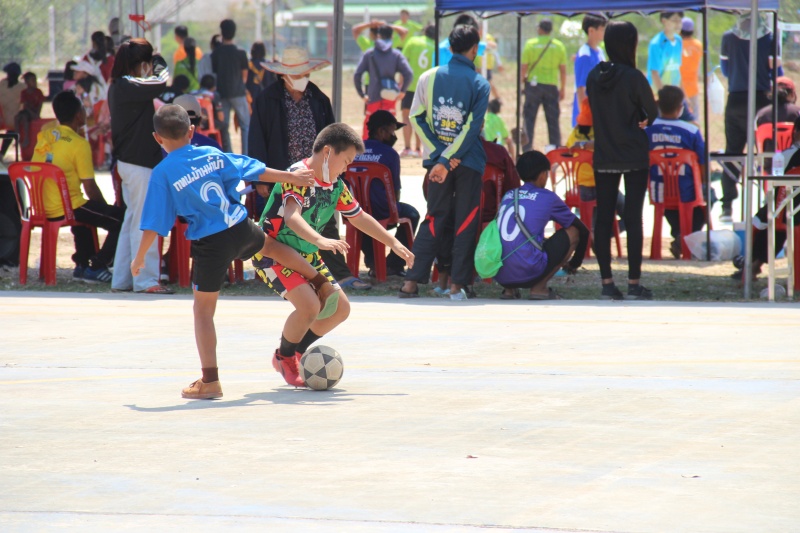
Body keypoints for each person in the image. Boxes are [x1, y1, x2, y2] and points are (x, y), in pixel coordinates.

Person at [133, 104, 340, 399]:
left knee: (203, 311)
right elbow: (252, 168)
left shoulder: (162, 172)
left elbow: (154, 223)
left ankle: (210, 381)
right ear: (192, 131)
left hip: (210, 242)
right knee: (271, 246)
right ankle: (320, 282)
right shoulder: (211, 153)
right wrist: (292, 177)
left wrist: (140, 257)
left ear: (157, 138)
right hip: (239, 225)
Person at [253, 123, 414, 387]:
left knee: (340, 309)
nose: (346, 168)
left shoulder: (335, 185)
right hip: (275, 253)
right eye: (346, 161)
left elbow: (359, 217)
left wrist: (392, 242)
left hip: (307, 255)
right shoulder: (298, 175)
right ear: (328, 152)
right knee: (310, 307)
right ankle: (284, 357)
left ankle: (296, 352)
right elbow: (292, 217)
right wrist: (320, 240)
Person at [249, 46, 371, 291]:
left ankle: (340, 273)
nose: (303, 79)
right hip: (284, 174)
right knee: (280, 223)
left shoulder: (318, 98)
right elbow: (256, 138)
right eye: (297, 74)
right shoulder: (267, 99)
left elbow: (335, 136)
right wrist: (260, 178)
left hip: (319, 173)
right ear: (284, 75)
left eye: (306, 73)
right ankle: (278, 272)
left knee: (325, 221)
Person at [399, 23, 490, 300]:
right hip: (468, 161)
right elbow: (472, 128)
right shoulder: (480, 83)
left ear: (450, 48)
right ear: (474, 50)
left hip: (436, 162)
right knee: (465, 221)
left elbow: (415, 117)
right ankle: (456, 286)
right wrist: (449, 157)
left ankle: (411, 282)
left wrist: (440, 155)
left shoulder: (428, 77)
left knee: (434, 218)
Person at [587, 20, 657, 300]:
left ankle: (607, 284)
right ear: (630, 44)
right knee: (633, 217)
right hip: (633, 154)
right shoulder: (633, 76)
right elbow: (652, 112)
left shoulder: (594, 76)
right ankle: (634, 284)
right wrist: (642, 119)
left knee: (603, 218)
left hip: (604, 154)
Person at [32, 91, 125, 283]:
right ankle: (97, 265)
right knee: (122, 218)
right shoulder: (78, 144)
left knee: (88, 211)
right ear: (78, 115)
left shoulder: (45, 136)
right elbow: (90, 189)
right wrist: (105, 208)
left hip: (43, 206)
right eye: (83, 109)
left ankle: (82, 264)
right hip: (67, 206)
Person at [108, 38, 172, 294]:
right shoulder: (128, 84)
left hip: (130, 163)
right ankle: (145, 280)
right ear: (142, 64)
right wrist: (159, 61)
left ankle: (122, 279)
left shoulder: (120, 85)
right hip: (139, 164)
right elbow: (162, 81)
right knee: (144, 223)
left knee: (132, 221)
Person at [494, 151, 589, 300]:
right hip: (529, 271)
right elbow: (582, 229)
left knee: (515, 242)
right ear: (543, 175)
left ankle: (509, 291)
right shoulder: (547, 197)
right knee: (573, 232)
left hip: (499, 273)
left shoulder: (509, 195)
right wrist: (575, 263)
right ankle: (539, 288)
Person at [719, 13, 781, 223]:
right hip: (762, 100)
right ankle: (768, 201)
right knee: (765, 152)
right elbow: (776, 70)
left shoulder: (728, 37)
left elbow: (725, 70)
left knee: (732, 152)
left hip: (736, 99)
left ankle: (727, 206)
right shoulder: (770, 37)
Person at [730, 116, 800, 283]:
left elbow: (775, 186)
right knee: (778, 215)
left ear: (796, 132)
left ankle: (752, 263)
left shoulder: (785, 155)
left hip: (789, 211)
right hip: (790, 211)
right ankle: (753, 263)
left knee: (772, 216)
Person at [353, 110, 420, 276]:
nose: (394, 136)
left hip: (353, 210)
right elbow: (395, 193)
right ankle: (394, 265)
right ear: (381, 131)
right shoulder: (390, 154)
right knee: (412, 214)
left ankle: (374, 263)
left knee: (362, 212)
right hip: (384, 211)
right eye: (392, 131)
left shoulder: (353, 150)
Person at [646, 85, 708, 258]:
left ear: (658, 105)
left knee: (669, 203)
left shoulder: (646, 130)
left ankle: (680, 234)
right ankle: (685, 236)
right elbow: (703, 162)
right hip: (687, 190)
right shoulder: (691, 131)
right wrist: (703, 183)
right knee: (709, 195)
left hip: (658, 190)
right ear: (681, 107)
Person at [566, 97, 626, 235]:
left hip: (581, 190)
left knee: (592, 221)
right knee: (632, 216)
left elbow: (566, 151)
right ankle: (602, 235)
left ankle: (594, 234)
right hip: (605, 187)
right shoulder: (605, 132)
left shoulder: (575, 134)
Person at [354, 24, 413, 140]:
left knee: (369, 126)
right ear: (391, 37)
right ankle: (385, 149)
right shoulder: (396, 54)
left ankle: (368, 149)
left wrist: (362, 94)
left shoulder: (370, 53)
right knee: (388, 127)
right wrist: (402, 91)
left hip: (372, 96)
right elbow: (408, 74)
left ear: (378, 36)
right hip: (390, 96)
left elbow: (357, 74)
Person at [521, 19, 567, 150]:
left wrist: (522, 83)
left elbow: (524, 67)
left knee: (529, 120)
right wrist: (563, 88)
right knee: (553, 122)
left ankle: (527, 150)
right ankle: (553, 151)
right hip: (551, 86)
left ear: (540, 29)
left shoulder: (531, 44)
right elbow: (563, 70)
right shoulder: (559, 46)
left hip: (533, 87)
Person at [211, 19, 250, 154]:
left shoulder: (216, 53)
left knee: (224, 126)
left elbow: (215, 73)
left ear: (222, 33)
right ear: (234, 32)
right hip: (238, 92)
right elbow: (244, 76)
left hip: (222, 93)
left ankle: (228, 153)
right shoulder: (241, 52)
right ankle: (246, 154)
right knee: (245, 125)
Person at [400, 23, 436, 158]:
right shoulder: (435, 47)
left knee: (406, 116)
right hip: (426, 86)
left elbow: (403, 63)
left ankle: (407, 148)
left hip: (409, 85)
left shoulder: (413, 41)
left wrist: (400, 83)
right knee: (421, 118)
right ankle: (418, 149)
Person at [573, 14, 607, 128]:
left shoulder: (600, 52)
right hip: (589, 116)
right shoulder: (585, 55)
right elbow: (581, 89)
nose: (604, 32)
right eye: (602, 29)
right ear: (591, 31)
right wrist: (585, 119)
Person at [647, 12, 684, 92]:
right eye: (674, 20)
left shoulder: (679, 40)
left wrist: (682, 93)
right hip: (657, 92)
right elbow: (654, 73)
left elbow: (678, 68)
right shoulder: (656, 43)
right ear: (664, 21)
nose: (678, 24)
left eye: (680, 20)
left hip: (674, 92)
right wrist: (663, 94)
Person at [15, 72, 45, 151]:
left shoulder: (38, 92)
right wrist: (32, 113)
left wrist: (37, 114)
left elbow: (40, 104)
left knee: (24, 118)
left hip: (34, 112)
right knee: (17, 118)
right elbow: (25, 106)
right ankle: (17, 137)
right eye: (33, 80)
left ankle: (26, 138)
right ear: (27, 82)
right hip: (27, 111)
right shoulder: (24, 92)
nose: (35, 82)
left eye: (35, 80)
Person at [0, 62, 24, 159]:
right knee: (12, 128)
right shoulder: (3, 85)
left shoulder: (21, 87)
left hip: (11, 119)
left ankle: (1, 153)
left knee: (11, 129)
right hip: (7, 118)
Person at [680, 17, 703, 117]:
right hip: (693, 87)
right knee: (693, 117)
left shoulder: (676, 44)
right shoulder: (698, 45)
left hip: (678, 87)